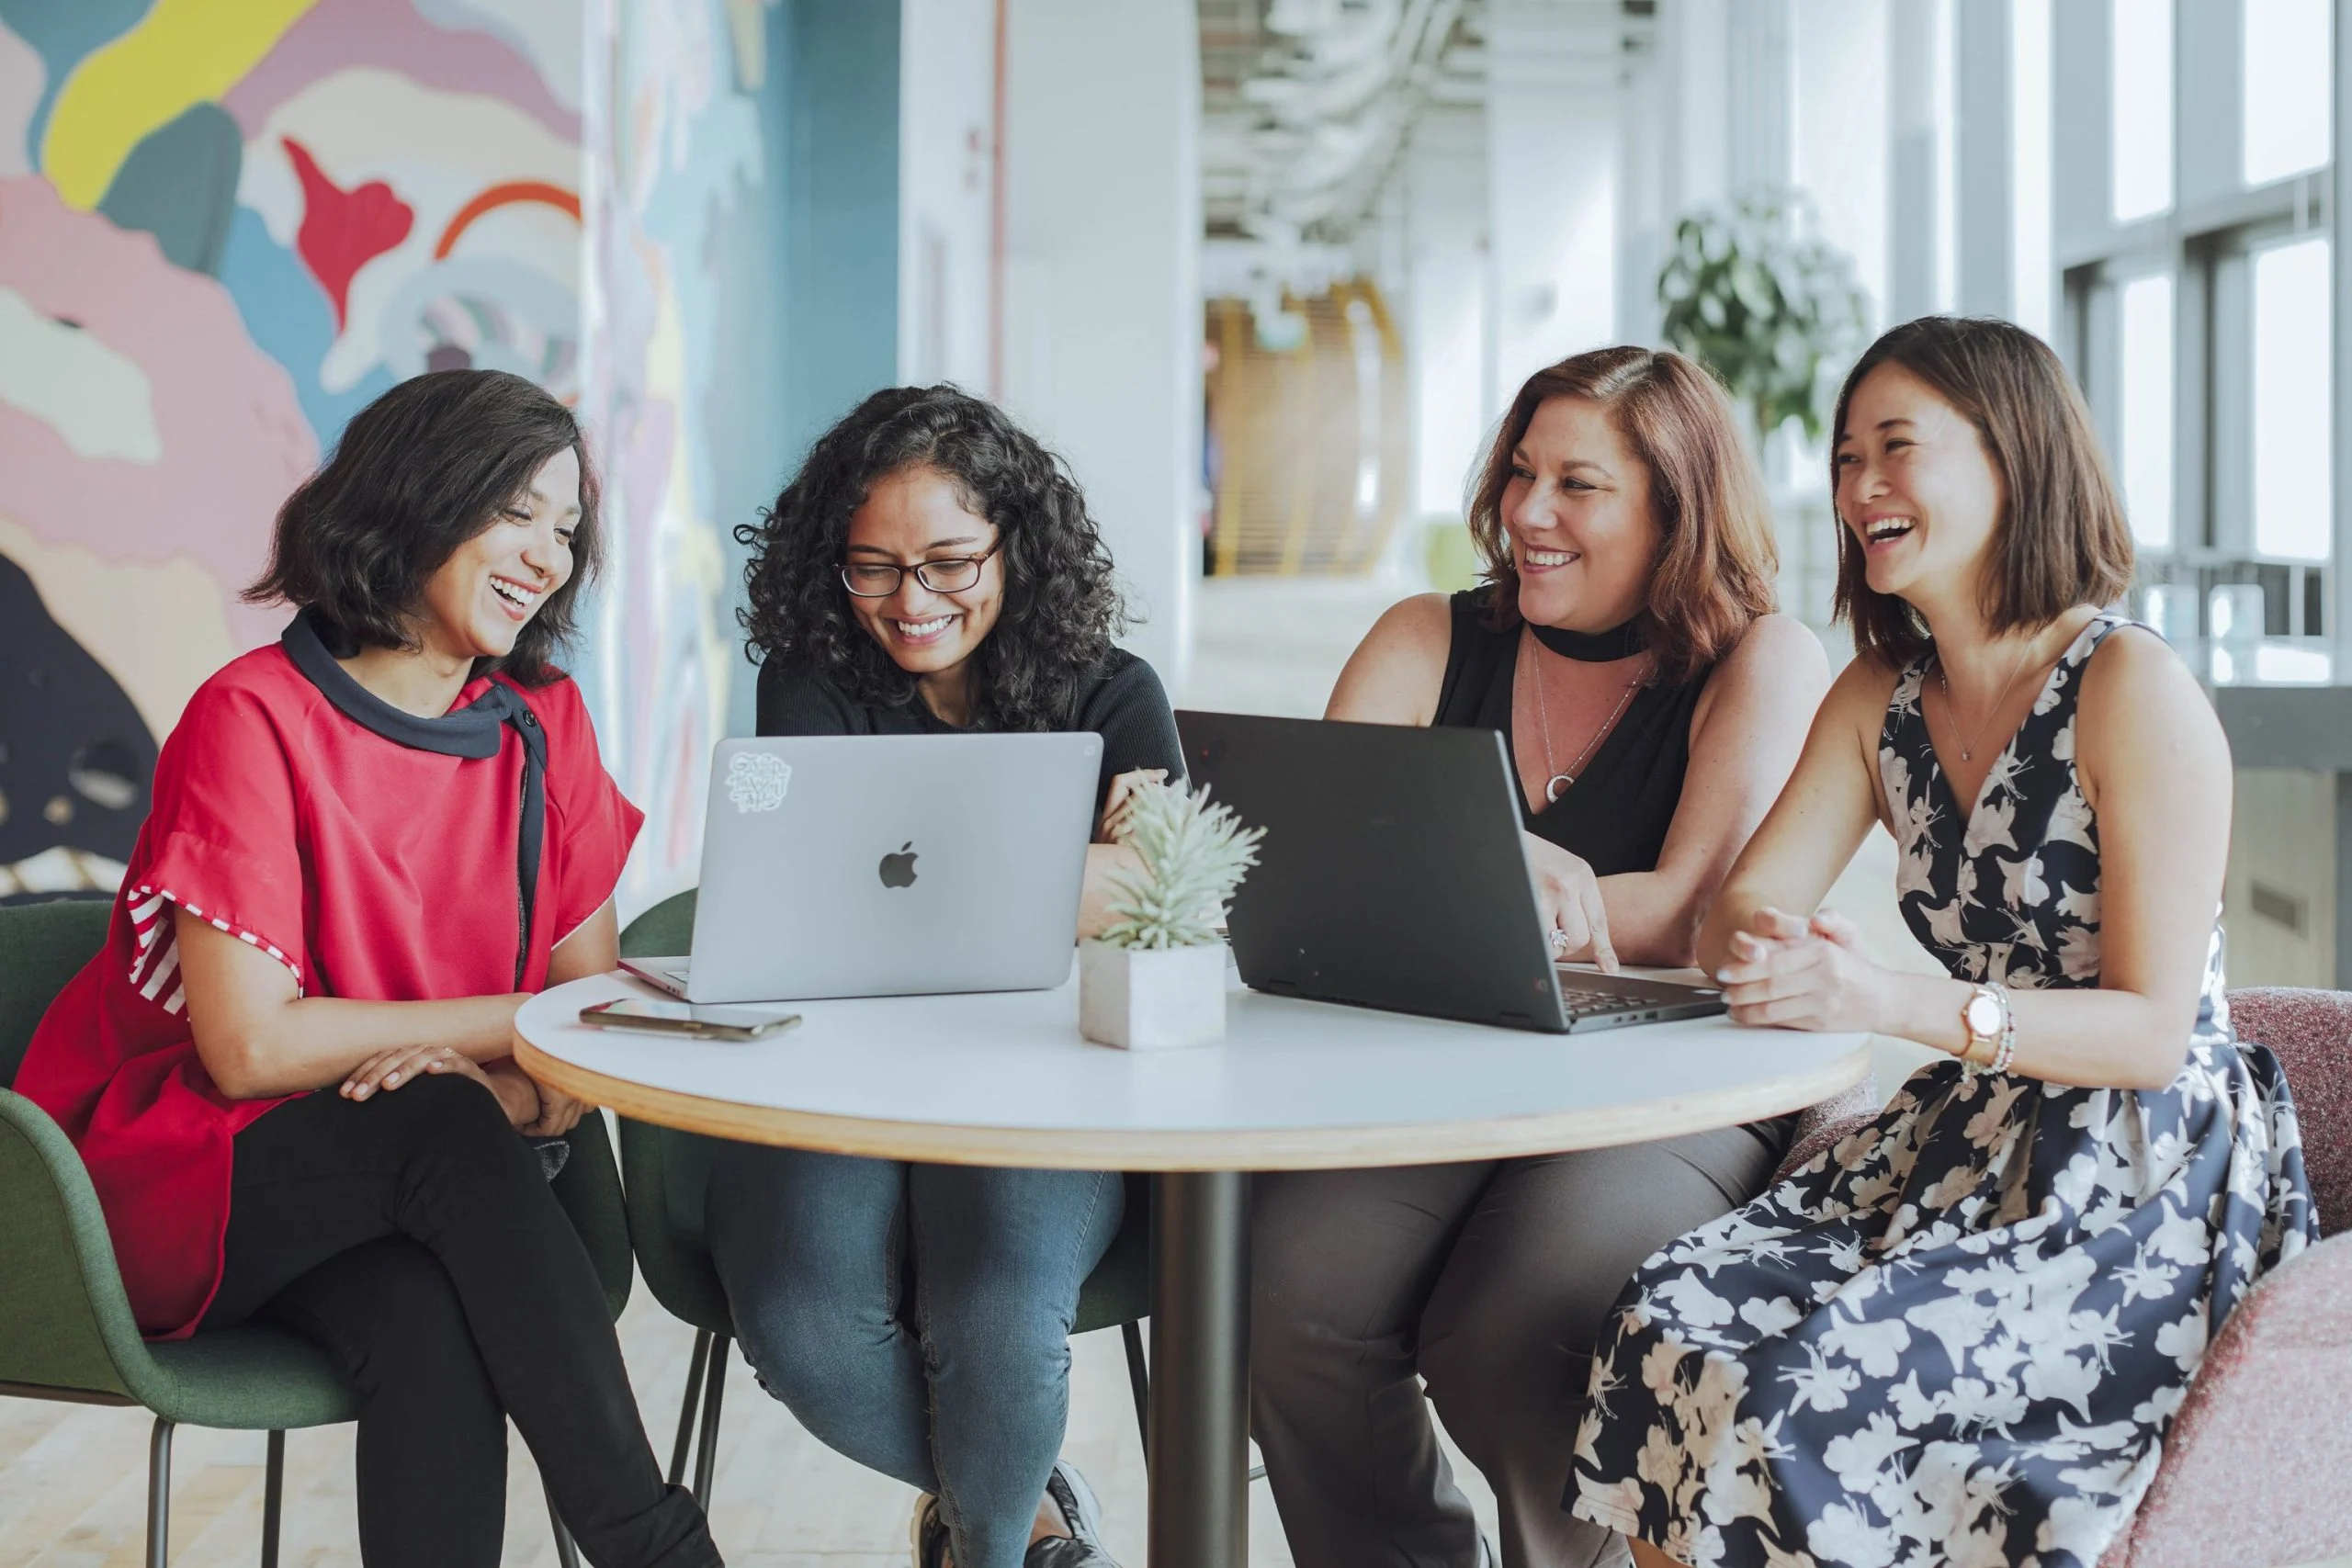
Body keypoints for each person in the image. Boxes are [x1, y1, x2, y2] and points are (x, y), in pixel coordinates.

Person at [1567, 316, 2316, 1568]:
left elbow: (2147, 1031)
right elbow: (1735, 917)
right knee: (1663, 1325)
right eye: (1847, 457)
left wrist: (1883, 995)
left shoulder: (2131, 687)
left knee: (1800, 1399)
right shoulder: (1879, 697)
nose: (1861, 488)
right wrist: (1775, 939)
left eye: (1897, 448)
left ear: (2014, 457)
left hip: (2134, 1175)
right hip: (1963, 1140)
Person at [13, 370, 723, 1568]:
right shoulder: (253, 718)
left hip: (426, 1182)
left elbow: (578, 1048)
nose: (548, 554)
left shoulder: (545, 728)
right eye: (517, 511)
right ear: (417, 498)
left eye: (566, 527)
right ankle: (650, 1543)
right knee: (439, 1120)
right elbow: (251, 1049)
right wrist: (508, 1042)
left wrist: (516, 1080)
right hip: (183, 1178)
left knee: (427, 1313)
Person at [1250, 346, 1830, 1568]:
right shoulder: (1427, 636)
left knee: (1516, 1333)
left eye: (1578, 484)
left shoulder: (1760, 658)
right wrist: (1515, 873)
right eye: (1521, 472)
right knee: (1285, 1301)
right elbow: (1321, 861)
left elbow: (1690, 911)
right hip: (1446, 1065)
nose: (1527, 513)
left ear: (1676, 506)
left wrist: (1488, 874)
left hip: (1669, 1081)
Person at [707, 385, 1183, 1568]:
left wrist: (1123, 881)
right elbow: (800, 891)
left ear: (1017, 545)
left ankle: (988, 1534)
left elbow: (1179, 900)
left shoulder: (1113, 691)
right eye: (872, 569)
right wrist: (1077, 874)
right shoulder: (812, 680)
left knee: (999, 1325)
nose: (909, 604)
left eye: (949, 563)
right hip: (841, 1074)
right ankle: (1018, 1513)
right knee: (807, 1332)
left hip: (1043, 1081)